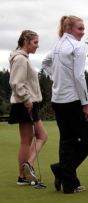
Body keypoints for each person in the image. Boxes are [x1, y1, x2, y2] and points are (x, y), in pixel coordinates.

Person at [42, 15, 88, 194]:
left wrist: (56, 76)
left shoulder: (57, 45)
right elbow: (80, 76)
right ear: (69, 29)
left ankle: (69, 183)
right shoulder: (78, 46)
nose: (83, 32)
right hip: (73, 101)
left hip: (58, 101)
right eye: (80, 28)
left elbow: (45, 63)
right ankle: (62, 170)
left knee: (67, 141)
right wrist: (86, 103)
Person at [8, 30, 48, 185]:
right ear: (25, 40)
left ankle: (26, 168)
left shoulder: (22, 58)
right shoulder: (20, 59)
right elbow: (16, 83)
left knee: (39, 137)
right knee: (28, 140)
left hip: (27, 103)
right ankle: (23, 175)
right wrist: (26, 99)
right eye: (35, 42)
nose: (37, 46)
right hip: (25, 104)